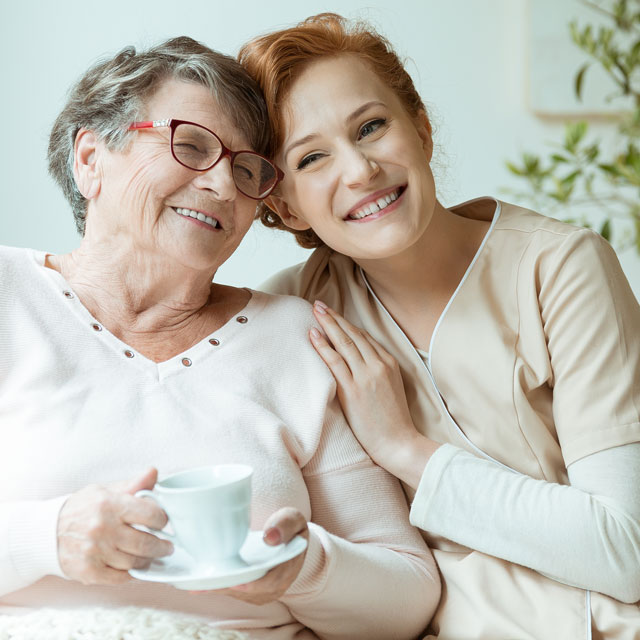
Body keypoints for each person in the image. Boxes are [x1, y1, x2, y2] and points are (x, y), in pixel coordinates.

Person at [0, 36, 441, 640]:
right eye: (191, 146)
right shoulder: (8, 295)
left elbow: (408, 596)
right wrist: (44, 538)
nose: (225, 188)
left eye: (246, 169)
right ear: (90, 159)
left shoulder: (295, 338)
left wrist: (302, 569)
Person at [239, 14, 640, 639]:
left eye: (371, 127)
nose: (360, 170)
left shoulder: (560, 269)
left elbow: (626, 548)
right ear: (283, 205)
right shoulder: (290, 315)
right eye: (312, 157)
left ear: (420, 129)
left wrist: (404, 448)